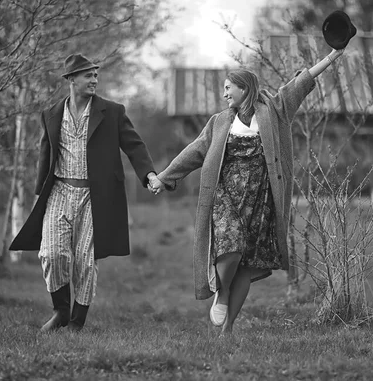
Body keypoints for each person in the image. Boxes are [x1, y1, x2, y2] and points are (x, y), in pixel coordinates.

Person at [148, 48, 345, 334]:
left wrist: (332, 55)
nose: (225, 94)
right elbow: (195, 151)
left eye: (229, 88)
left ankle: (228, 328)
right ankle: (223, 293)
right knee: (230, 244)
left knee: (245, 262)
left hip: (260, 200)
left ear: (244, 88)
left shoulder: (275, 111)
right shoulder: (219, 122)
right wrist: (164, 177)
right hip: (226, 196)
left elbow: (299, 84)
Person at [10, 54, 159, 332]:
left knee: (85, 262)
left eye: (95, 75)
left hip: (95, 197)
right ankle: (61, 311)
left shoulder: (112, 112)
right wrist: (38, 196)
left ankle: (77, 322)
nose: (94, 80)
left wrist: (148, 174)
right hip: (58, 192)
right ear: (71, 80)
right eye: (88, 75)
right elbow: (46, 155)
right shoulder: (51, 114)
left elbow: (134, 145)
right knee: (52, 254)